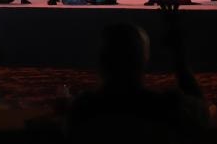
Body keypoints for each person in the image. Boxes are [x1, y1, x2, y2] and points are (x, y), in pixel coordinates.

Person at [66, 19, 208, 143]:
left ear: (101, 61)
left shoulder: (83, 109)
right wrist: (179, 57)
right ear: (144, 60)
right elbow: (201, 114)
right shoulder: (166, 107)